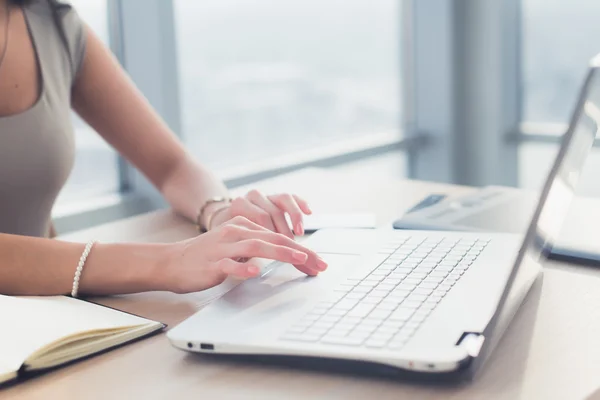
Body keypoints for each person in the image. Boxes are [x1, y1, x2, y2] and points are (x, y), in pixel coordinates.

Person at [0, 0, 328, 297]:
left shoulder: (52, 26)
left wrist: (220, 212)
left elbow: (172, 165)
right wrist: (166, 262)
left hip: (40, 318)